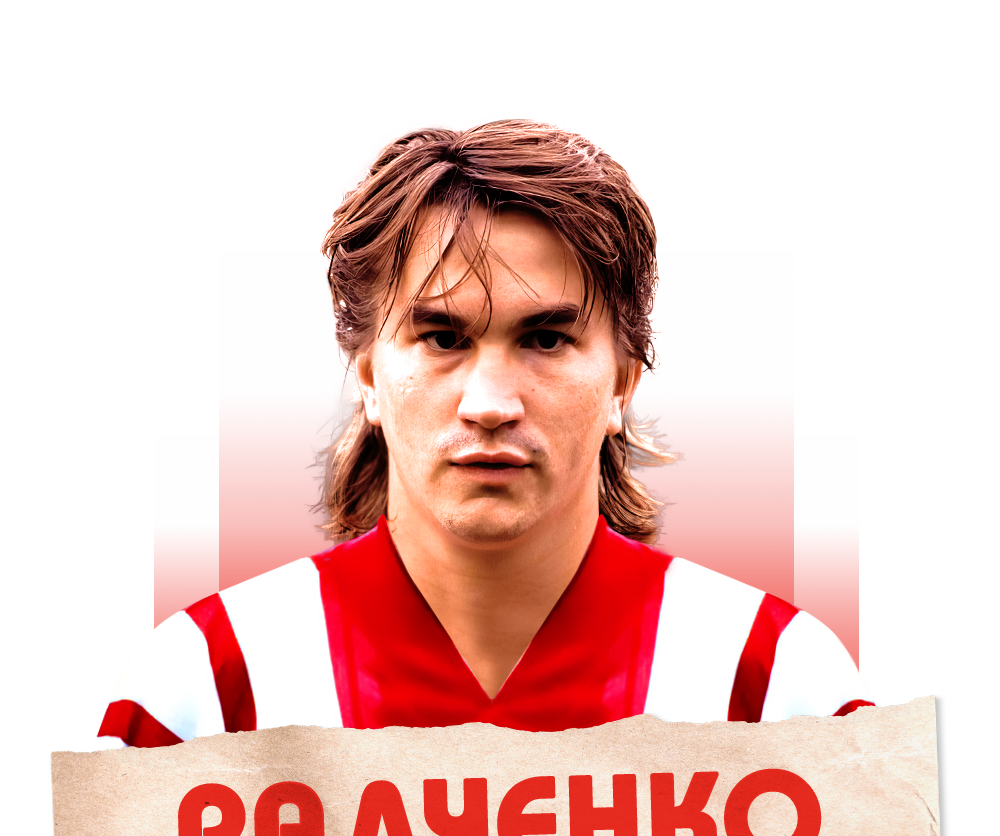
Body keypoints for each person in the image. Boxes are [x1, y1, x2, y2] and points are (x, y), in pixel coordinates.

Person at [96, 118, 873, 749]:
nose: (491, 403)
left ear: (624, 381)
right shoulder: (202, 690)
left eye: (546, 339)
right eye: (442, 337)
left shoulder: (782, 689)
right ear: (365, 375)